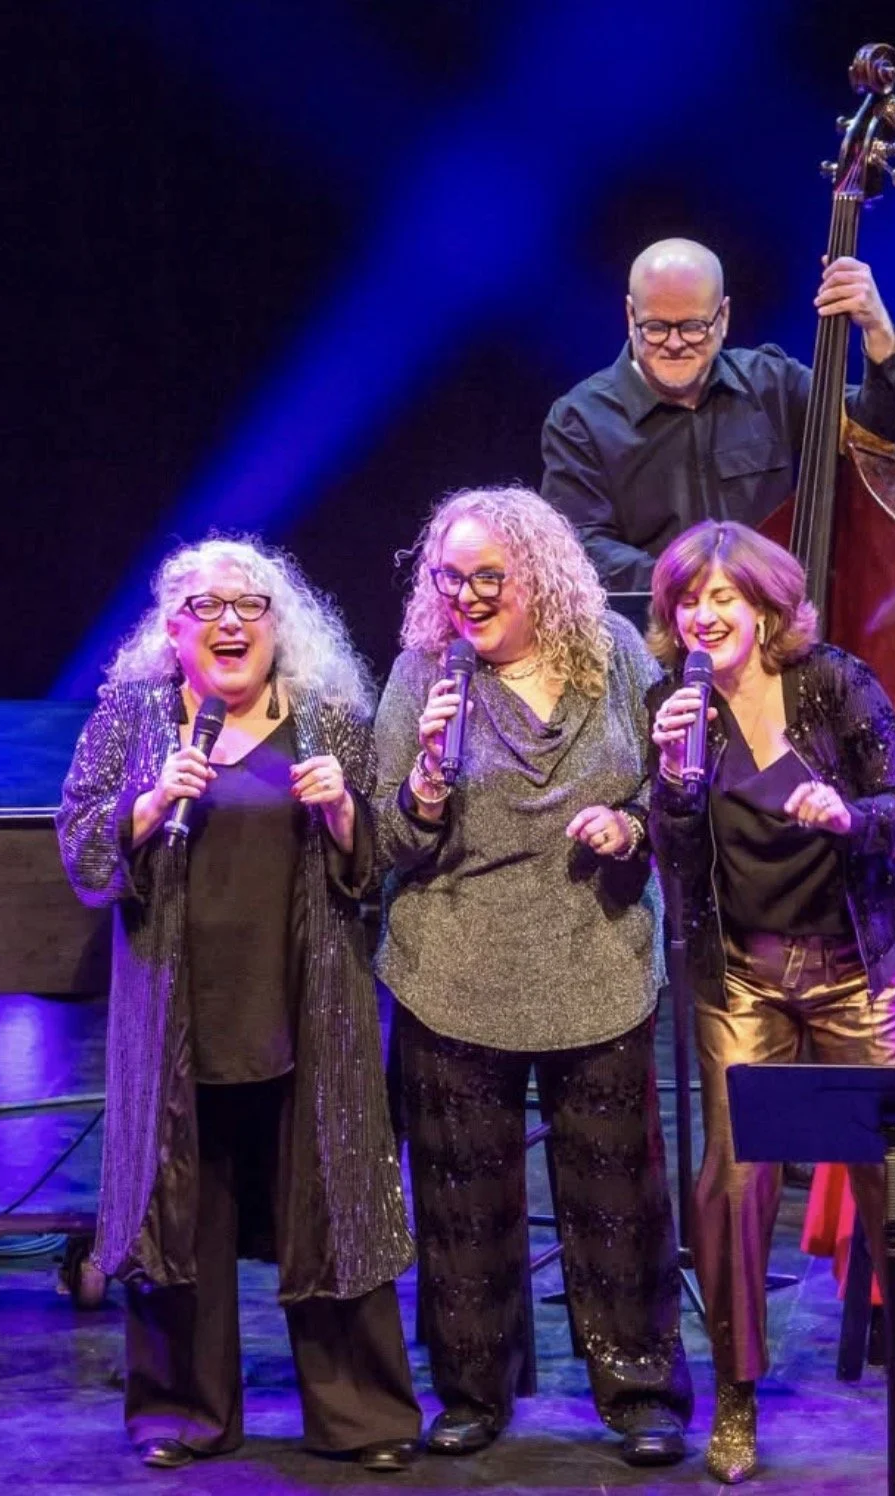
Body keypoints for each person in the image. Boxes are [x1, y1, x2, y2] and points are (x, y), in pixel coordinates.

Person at [56, 537, 421, 1474]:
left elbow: (379, 861)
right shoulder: (134, 716)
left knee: (331, 1195)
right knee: (182, 1204)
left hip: (307, 1005)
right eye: (205, 607)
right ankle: (183, 1412)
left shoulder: (329, 717)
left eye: (249, 605)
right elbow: (81, 844)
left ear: (277, 622)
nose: (229, 622)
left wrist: (344, 813)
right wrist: (147, 804)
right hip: (178, 1010)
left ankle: (362, 1416)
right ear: (171, 631)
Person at [646, 520, 895, 1486]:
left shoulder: (833, 684)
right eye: (687, 600)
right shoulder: (673, 707)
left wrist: (846, 815)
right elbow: (677, 861)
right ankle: (737, 1397)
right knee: (732, 1181)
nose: (703, 615)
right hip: (741, 974)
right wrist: (669, 784)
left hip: (854, 967)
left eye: (722, 597)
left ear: (764, 607)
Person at [372, 485, 693, 1465]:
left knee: (617, 1193)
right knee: (462, 1194)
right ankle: (472, 1389)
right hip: (455, 967)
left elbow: (668, 788)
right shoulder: (424, 673)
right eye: (448, 578)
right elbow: (386, 840)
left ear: (540, 575)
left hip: (595, 959)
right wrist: (425, 783)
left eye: (487, 576)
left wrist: (630, 825)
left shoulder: (614, 654)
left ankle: (639, 1389)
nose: (464, 596)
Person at [540, 236, 895, 590]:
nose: (674, 343)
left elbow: (882, 431)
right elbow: (580, 546)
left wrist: (877, 327)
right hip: (654, 631)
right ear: (629, 315)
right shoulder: (580, 420)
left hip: (773, 627)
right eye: (655, 327)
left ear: (723, 317)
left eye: (693, 327)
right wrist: (699, 583)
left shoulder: (772, 383)